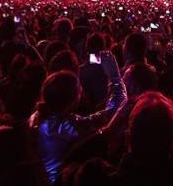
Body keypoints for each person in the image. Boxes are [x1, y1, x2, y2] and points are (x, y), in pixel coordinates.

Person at [31, 50, 126, 183]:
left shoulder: (36, 117)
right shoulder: (68, 126)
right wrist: (114, 75)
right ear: (75, 98)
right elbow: (114, 110)